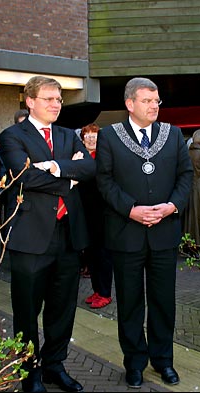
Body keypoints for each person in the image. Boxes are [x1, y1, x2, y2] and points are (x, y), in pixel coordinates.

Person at [0, 75, 95, 393]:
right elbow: (23, 176)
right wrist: (68, 174)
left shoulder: (69, 134)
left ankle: (54, 365)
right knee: (26, 311)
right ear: (30, 101)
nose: (56, 104)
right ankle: (29, 373)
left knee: (62, 308)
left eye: (59, 99)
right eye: (49, 99)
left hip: (68, 235)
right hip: (30, 238)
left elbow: (90, 169)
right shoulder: (12, 136)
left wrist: (52, 167)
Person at [96, 77, 193, 388]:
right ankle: (134, 362)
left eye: (157, 101)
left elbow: (185, 175)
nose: (154, 106)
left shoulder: (174, 135)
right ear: (130, 104)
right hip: (126, 233)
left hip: (165, 233)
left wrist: (171, 206)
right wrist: (131, 209)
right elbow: (104, 181)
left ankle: (163, 361)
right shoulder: (110, 136)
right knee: (130, 302)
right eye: (147, 101)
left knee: (164, 301)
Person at [78, 123, 114, 309]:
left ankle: (105, 293)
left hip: (102, 213)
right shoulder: (80, 158)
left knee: (103, 255)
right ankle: (97, 290)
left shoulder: (104, 158)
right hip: (86, 214)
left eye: (95, 136)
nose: (91, 139)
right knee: (91, 254)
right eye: (87, 136)